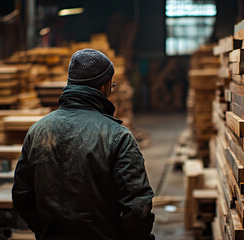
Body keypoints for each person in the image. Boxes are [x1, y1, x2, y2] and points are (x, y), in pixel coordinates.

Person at [12, 49, 155, 240]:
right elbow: (137, 209)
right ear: (104, 87)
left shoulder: (37, 131)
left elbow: (22, 196)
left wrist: (45, 230)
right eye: (111, 85)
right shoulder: (117, 136)